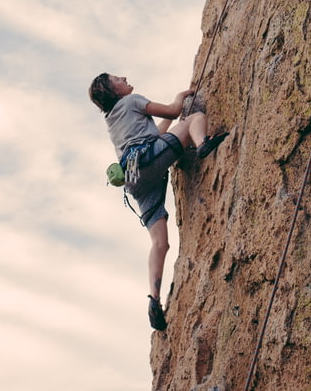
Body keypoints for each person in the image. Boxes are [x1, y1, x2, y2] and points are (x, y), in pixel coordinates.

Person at [89, 72, 227, 331]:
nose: (124, 77)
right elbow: (175, 112)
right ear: (114, 91)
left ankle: (154, 299)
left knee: (159, 243)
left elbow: (157, 136)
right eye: (117, 78)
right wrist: (181, 98)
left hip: (134, 178)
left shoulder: (113, 119)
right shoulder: (132, 101)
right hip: (147, 162)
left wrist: (172, 124)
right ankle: (202, 144)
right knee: (195, 118)